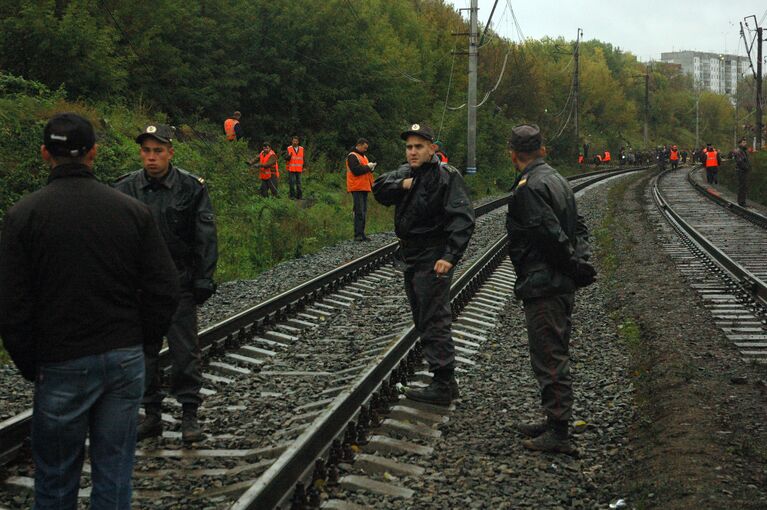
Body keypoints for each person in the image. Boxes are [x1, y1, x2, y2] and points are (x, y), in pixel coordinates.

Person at [0, 113, 180, 508]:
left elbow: (11, 305)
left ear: (46, 154)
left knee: (56, 475)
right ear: (94, 153)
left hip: (61, 359)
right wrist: (141, 340)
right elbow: (165, 288)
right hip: (122, 358)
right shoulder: (130, 210)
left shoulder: (24, 215)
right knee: (115, 470)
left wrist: (32, 363)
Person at [113, 123, 218, 444]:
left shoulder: (190, 187)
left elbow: (205, 235)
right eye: (146, 151)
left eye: (158, 150)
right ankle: (152, 415)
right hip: (140, 287)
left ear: (170, 152)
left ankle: (189, 415)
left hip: (178, 284)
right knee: (144, 353)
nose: (151, 157)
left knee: (185, 352)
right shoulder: (124, 189)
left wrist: (203, 278)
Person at [505, 124, 595, 455]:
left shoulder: (529, 188)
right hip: (557, 281)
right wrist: (580, 264)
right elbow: (579, 226)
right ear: (542, 149)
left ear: (513, 153)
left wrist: (573, 267)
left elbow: (549, 235)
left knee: (549, 354)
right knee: (552, 348)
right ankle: (553, 418)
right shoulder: (556, 178)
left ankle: (559, 430)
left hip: (545, 281)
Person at [372, 123, 475, 406]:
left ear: (433, 148)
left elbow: (463, 218)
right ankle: (444, 380)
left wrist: (450, 256)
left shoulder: (445, 176)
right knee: (422, 316)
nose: (413, 152)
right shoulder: (406, 173)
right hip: (411, 257)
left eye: (419, 147)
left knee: (433, 317)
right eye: (409, 147)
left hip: (433, 256)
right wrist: (402, 184)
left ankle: (443, 381)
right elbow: (379, 188)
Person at [346, 138, 377, 241]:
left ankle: (362, 234)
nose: (365, 150)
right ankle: (358, 235)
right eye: (364, 148)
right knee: (359, 211)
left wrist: (371, 168)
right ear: (359, 145)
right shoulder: (352, 156)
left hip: (364, 186)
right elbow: (356, 171)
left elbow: (364, 170)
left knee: (363, 211)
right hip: (357, 187)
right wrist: (368, 167)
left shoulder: (363, 156)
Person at [734, 138, 751, 206]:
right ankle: (741, 202)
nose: (745, 144)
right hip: (741, 171)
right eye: (743, 142)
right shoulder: (739, 151)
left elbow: (745, 160)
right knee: (742, 186)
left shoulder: (743, 151)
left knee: (744, 186)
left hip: (743, 170)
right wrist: (746, 168)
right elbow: (740, 161)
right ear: (740, 143)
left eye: (745, 142)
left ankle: (742, 201)